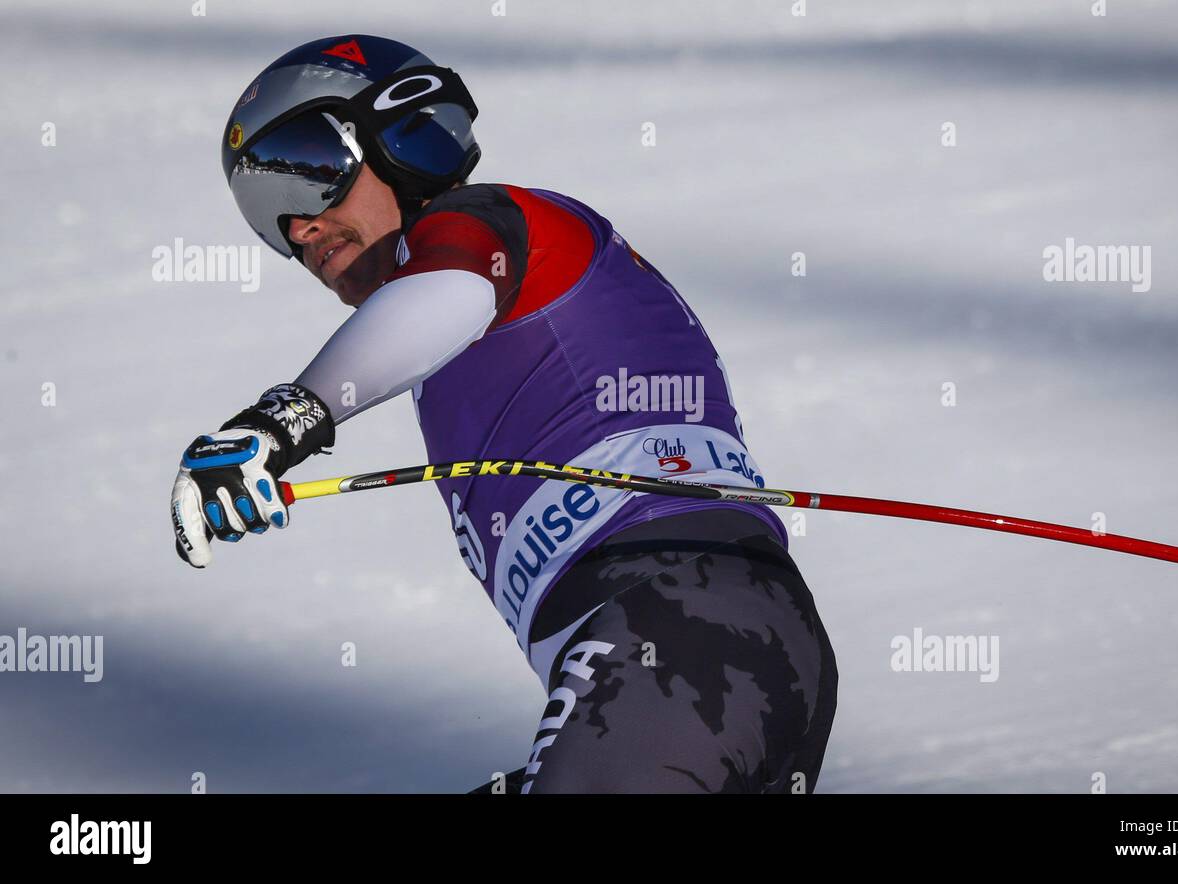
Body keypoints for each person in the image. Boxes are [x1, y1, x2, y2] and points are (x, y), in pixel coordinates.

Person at [171, 34, 837, 793]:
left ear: (401, 136)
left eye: (309, 171)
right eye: (266, 212)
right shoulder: (457, 338)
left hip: (670, 624)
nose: (298, 228)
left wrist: (282, 421)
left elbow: (447, 290)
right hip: (718, 649)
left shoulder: (487, 226)